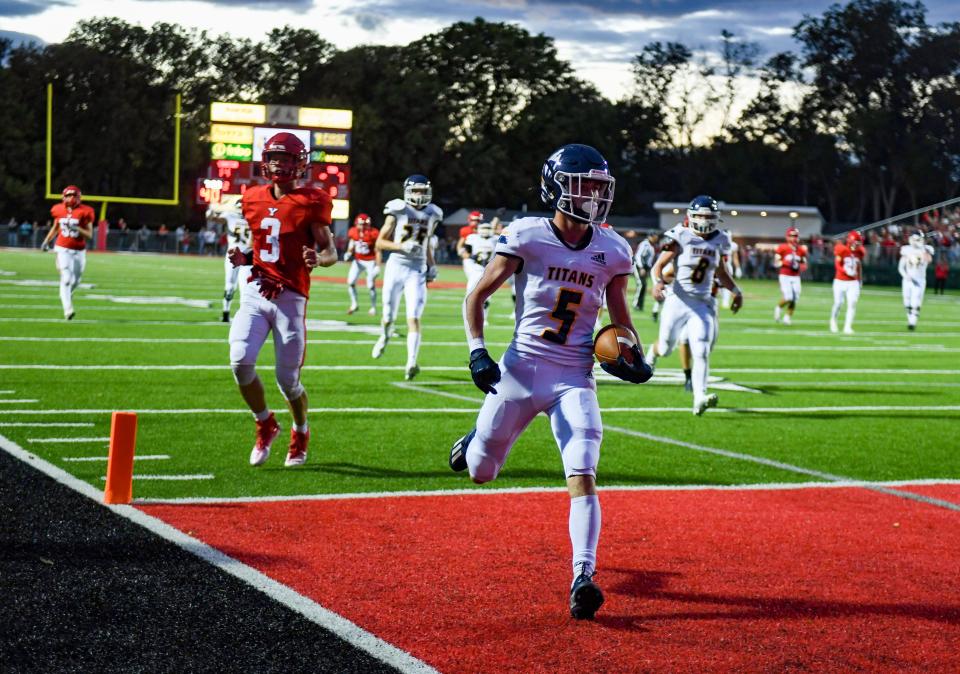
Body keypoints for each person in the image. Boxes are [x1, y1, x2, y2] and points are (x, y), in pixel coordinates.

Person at [448, 144, 652, 621]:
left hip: (575, 376)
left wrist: (634, 356)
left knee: (584, 471)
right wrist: (478, 351)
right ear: (556, 187)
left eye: (600, 189)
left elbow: (621, 320)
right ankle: (473, 440)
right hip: (520, 369)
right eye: (584, 187)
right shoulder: (525, 237)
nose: (594, 198)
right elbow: (477, 296)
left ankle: (584, 575)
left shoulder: (613, 249)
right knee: (482, 472)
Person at [227, 132, 337, 468]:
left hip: (290, 297)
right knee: (240, 362)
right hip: (256, 290)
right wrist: (244, 257)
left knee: (288, 381)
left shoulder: (312, 200)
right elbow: (264, 247)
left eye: (287, 158)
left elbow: (331, 250)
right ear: (265, 160)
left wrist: (319, 260)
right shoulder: (252, 197)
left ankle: (300, 429)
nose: (280, 164)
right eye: (275, 157)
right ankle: (265, 422)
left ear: (300, 163)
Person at [646, 195, 743, 415]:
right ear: (691, 216)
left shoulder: (720, 239)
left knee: (701, 348)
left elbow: (720, 271)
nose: (705, 220)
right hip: (677, 300)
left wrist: (736, 291)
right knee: (666, 347)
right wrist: (657, 282)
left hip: (702, 302)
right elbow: (658, 265)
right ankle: (652, 353)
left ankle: (700, 397)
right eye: (700, 215)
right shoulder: (680, 235)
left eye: (709, 216)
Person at [371, 174, 443, 380]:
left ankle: (411, 361)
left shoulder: (433, 213)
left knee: (414, 316)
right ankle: (384, 337)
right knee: (388, 315)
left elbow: (427, 241)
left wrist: (432, 264)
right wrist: (401, 245)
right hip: (396, 266)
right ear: (407, 191)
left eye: (423, 190)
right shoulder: (398, 209)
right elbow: (379, 243)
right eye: (416, 190)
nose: (420, 195)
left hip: (417, 269)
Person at [40, 186, 95, 320]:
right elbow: (56, 227)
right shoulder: (58, 209)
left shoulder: (86, 211)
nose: (71, 198)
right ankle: (68, 310)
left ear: (79, 197)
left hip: (79, 250)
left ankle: (66, 295)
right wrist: (46, 241)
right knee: (66, 278)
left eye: (74, 195)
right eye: (68, 195)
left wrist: (77, 228)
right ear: (63, 197)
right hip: (62, 248)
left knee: (76, 280)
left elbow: (89, 235)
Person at [217, 199, 251, 322]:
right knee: (244, 287)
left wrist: (216, 207)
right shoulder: (253, 218)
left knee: (230, 285)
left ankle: (226, 313)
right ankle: (245, 316)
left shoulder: (230, 216)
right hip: (248, 256)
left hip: (232, 255)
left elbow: (213, 217)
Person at [344, 213, 381, 316]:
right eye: (360, 224)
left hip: (370, 261)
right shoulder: (353, 231)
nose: (362, 227)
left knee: (370, 285)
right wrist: (349, 252)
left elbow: (378, 250)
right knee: (351, 282)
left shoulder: (373, 233)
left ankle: (373, 307)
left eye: (364, 224)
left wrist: (378, 266)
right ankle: (354, 304)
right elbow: (352, 243)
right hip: (358, 261)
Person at [830, 231, 865, 334]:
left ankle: (847, 327)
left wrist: (860, 280)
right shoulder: (841, 249)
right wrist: (846, 271)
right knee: (838, 303)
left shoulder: (860, 252)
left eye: (859, 242)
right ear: (850, 240)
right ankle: (833, 321)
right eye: (856, 241)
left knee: (852, 303)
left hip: (853, 282)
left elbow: (859, 266)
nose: (858, 244)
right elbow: (837, 264)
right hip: (840, 280)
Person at [898, 233, 934, 330]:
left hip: (919, 279)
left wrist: (924, 251)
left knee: (915, 301)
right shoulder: (906, 249)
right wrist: (906, 276)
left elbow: (929, 260)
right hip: (907, 279)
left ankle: (912, 322)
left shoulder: (926, 249)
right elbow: (900, 267)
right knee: (906, 301)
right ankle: (910, 319)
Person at [774, 226, 808, 326]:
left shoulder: (801, 250)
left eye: (796, 236)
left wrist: (801, 266)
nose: (794, 238)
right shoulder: (782, 248)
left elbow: (804, 263)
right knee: (788, 297)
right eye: (792, 236)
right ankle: (778, 307)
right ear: (787, 237)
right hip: (785, 275)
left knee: (795, 298)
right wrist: (786, 263)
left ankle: (787, 317)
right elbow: (776, 262)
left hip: (796, 276)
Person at [632, 231, 658, 311]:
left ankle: (640, 305)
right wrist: (641, 267)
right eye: (654, 236)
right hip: (639, 266)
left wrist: (647, 269)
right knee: (641, 284)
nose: (656, 238)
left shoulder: (651, 245)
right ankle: (636, 304)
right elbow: (638, 256)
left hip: (645, 267)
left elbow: (649, 260)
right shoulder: (645, 244)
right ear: (650, 236)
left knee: (644, 285)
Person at [718, 230, 742, 309]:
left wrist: (738, 268)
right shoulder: (717, 243)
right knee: (718, 285)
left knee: (726, 285)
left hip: (727, 266)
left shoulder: (733, 245)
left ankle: (725, 301)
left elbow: (735, 258)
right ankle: (724, 299)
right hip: (718, 266)